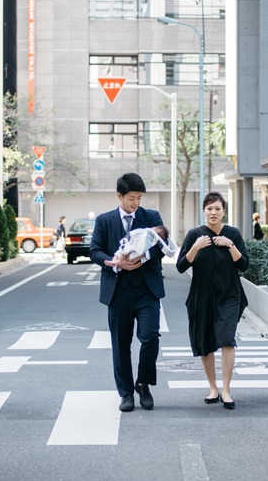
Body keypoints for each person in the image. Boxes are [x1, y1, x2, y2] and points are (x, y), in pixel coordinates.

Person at [89, 173, 167, 412]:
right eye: (132, 198)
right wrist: (115, 262)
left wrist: (143, 256)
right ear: (120, 196)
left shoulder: (151, 217)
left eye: (139, 198)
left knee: (150, 336)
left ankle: (143, 384)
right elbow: (95, 251)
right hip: (118, 290)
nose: (136, 203)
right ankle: (125, 393)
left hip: (146, 289)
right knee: (120, 344)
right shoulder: (104, 220)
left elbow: (162, 248)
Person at [176, 192, 249, 409]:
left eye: (217, 208)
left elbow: (244, 265)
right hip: (201, 296)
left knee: (227, 339)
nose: (213, 212)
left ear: (224, 211)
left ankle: (226, 390)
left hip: (229, 295)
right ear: (204, 211)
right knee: (205, 343)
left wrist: (230, 245)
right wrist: (195, 247)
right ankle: (213, 388)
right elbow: (181, 266)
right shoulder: (194, 235)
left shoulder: (232, 234)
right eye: (209, 208)